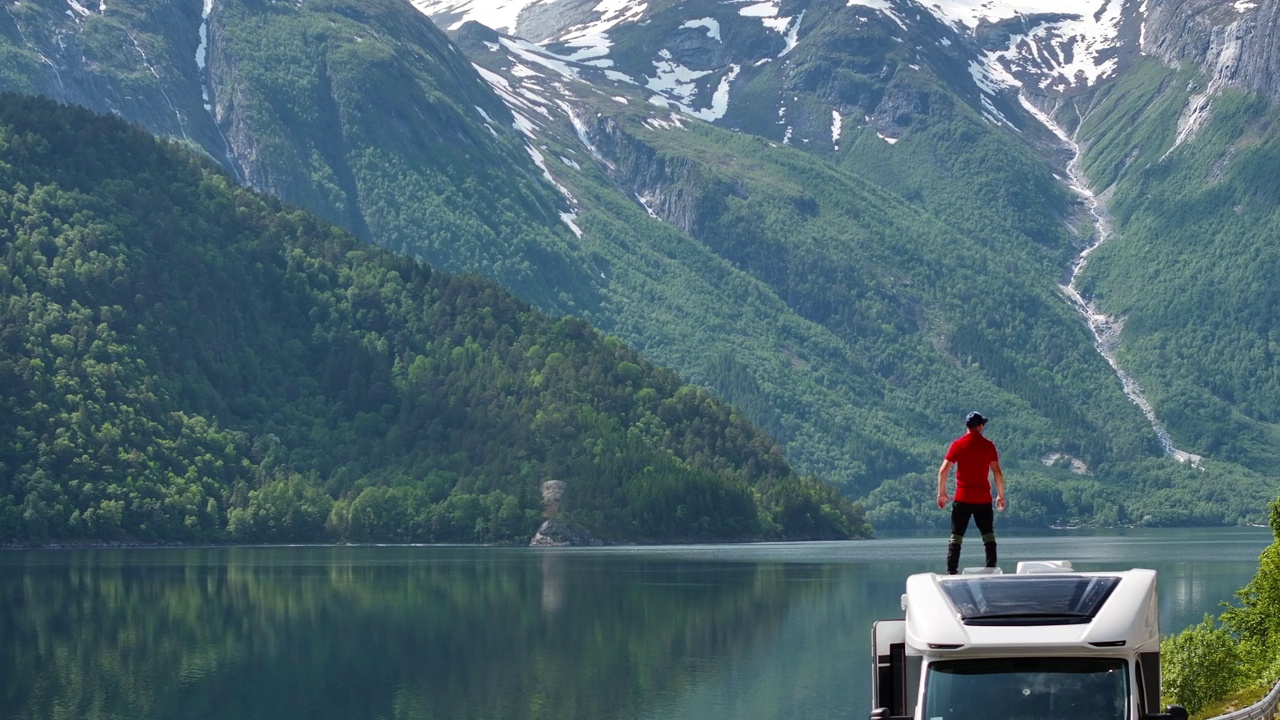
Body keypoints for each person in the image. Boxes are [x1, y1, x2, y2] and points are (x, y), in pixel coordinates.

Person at [937, 411, 1005, 574]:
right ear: (980, 426)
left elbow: (943, 471)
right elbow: (997, 473)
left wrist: (941, 493)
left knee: (956, 537)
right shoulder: (988, 446)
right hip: (983, 499)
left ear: (967, 426)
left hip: (962, 498)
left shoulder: (958, 444)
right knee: (988, 536)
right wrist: (1001, 495)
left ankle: (952, 572)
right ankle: (990, 569)